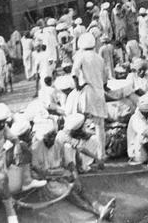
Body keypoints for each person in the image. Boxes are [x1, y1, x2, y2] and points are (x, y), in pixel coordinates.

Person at [31, 119, 115, 220]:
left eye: (53, 135)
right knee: (70, 193)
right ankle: (96, 211)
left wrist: (75, 177)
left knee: (79, 188)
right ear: (43, 137)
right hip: (46, 182)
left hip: (60, 175)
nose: (52, 138)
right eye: (49, 136)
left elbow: (69, 163)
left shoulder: (58, 144)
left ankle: (100, 207)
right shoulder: (35, 149)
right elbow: (41, 173)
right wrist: (62, 175)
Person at [71, 33, 108, 161]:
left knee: (79, 122)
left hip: (87, 92)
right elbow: (105, 79)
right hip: (99, 93)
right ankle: (101, 154)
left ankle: (81, 155)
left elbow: (74, 74)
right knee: (100, 126)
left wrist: (78, 87)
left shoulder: (80, 57)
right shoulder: (99, 58)